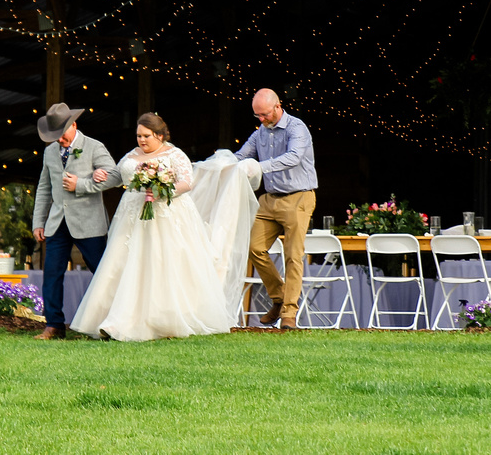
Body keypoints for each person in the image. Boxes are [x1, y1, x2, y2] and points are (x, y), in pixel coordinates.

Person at [71, 113, 259, 341]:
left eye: (146, 136)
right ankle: (116, 320)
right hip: (132, 216)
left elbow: (187, 182)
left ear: (159, 135)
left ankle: (163, 318)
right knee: (123, 263)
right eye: (138, 135)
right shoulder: (131, 155)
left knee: (163, 264)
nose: (141, 140)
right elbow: (116, 177)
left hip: (166, 215)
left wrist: (164, 191)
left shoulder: (174, 154)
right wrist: (97, 175)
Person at [31, 103, 120, 340]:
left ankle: (113, 323)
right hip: (57, 223)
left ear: (74, 125)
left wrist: (81, 185)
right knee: (51, 274)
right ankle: (54, 325)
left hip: (89, 223)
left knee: (102, 273)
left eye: (61, 134)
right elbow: (44, 187)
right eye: (54, 136)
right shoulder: (49, 152)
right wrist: (38, 222)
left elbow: (115, 176)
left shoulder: (93, 146)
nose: (58, 140)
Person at [234, 88, 318, 330]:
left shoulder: (296, 128)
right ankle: (280, 297)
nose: (261, 119)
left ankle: (289, 314)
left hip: (298, 197)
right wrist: (219, 165)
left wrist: (259, 167)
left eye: (265, 114)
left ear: (278, 106)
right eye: (257, 116)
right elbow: (242, 156)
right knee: (253, 246)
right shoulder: (260, 132)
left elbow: (293, 157)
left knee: (293, 255)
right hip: (269, 199)